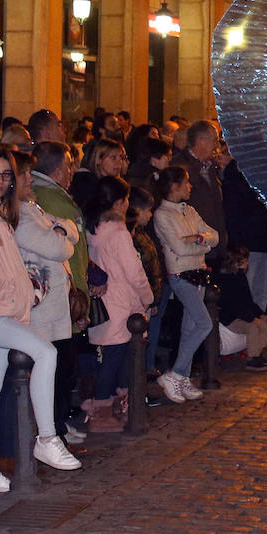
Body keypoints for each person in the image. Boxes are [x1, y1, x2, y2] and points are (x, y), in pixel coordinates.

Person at [0, 148, 81, 492]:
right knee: (46, 352)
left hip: (6, 311)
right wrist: (14, 299)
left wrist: (25, 295)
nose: (0, 181)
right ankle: (46, 437)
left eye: (6, 175)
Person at [13, 146, 80, 443]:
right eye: (24, 174)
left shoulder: (34, 207)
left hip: (57, 307)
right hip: (41, 309)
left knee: (63, 370)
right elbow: (57, 246)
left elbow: (71, 228)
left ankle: (57, 427)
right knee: (49, 372)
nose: (30, 179)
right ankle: (47, 434)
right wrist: (61, 235)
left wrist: (61, 231)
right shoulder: (20, 216)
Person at [82, 177, 153, 431]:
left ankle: (116, 409)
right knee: (116, 359)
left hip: (104, 302)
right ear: (120, 202)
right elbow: (134, 272)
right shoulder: (118, 231)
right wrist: (148, 297)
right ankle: (102, 413)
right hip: (122, 302)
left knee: (114, 357)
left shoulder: (93, 227)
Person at [153, 165, 217, 403]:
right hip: (181, 274)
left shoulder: (189, 211)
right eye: (186, 182)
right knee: (203, 323)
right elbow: (178, 247)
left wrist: (199, 239)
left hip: (199, 272)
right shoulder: (162, 215)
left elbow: (214, 235)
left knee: (190, 328)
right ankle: (176, 373)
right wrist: (201, 244)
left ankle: (184, 377)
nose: (190, 186)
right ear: (175, 186)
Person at [222, 154, 267, 312]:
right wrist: (237, 243)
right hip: (248, 240)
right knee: (246, 290)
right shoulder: (235, 172)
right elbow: (232, 209)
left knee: (262, 291)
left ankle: (258, 329)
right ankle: (247, 328)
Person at [214, 245, 267, 372]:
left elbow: (248, 301)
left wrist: (261, 314)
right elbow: (233, 307)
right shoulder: (226, 279)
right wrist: (252, 319)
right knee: (253, 327)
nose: (247, 264)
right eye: (245, 261)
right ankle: (252, 359)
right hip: (230, 318)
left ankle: (257, 353)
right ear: (236, 263)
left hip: (242, 314)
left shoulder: (240, 277)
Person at [171, 121, 227, 259]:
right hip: (194, 240)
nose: (217, 145)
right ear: (201, 140)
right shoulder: (180, 166)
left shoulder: (210, 166)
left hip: (213, 236)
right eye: (214, 140)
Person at [126, 187, 164, 378]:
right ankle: (139, 379)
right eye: (148, 210)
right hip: (142, 298)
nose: (151, 214)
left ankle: (143, 373)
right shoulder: (133, 237)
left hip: (150, 295)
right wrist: (150, 298)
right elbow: (141, 271)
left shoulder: (141, 233)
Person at [69, 138, 127, 208]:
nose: (119, 162)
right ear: (99, 160)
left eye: (121, 157)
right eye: (113, 157)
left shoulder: (113, 183)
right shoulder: (85, 184)